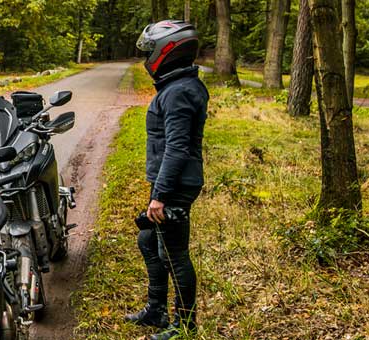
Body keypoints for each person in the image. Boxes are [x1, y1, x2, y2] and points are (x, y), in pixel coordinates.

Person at [124, 19, 209, 340]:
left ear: (166, 52)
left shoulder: (178, 92)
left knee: (174, 254)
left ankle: (184, 325)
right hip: (168, 181)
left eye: (149, 52)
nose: (146, 59)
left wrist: (159, 195)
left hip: (174, 185)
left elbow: (177, 147)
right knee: (148, 240)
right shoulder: (179, 86)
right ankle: (156, 310)